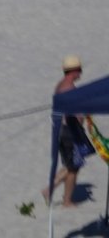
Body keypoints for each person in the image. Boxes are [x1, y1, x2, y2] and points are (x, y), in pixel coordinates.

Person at [48, 55, 89, 206]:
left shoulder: (60, 85)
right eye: (80, 70)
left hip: (61, 130)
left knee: (71, 164)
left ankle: (50, 189)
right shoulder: (69, 88)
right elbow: (75, 113)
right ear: (75, 71)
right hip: (70, 130)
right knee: (74, 166)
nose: (81, 73)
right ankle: (66, 200)